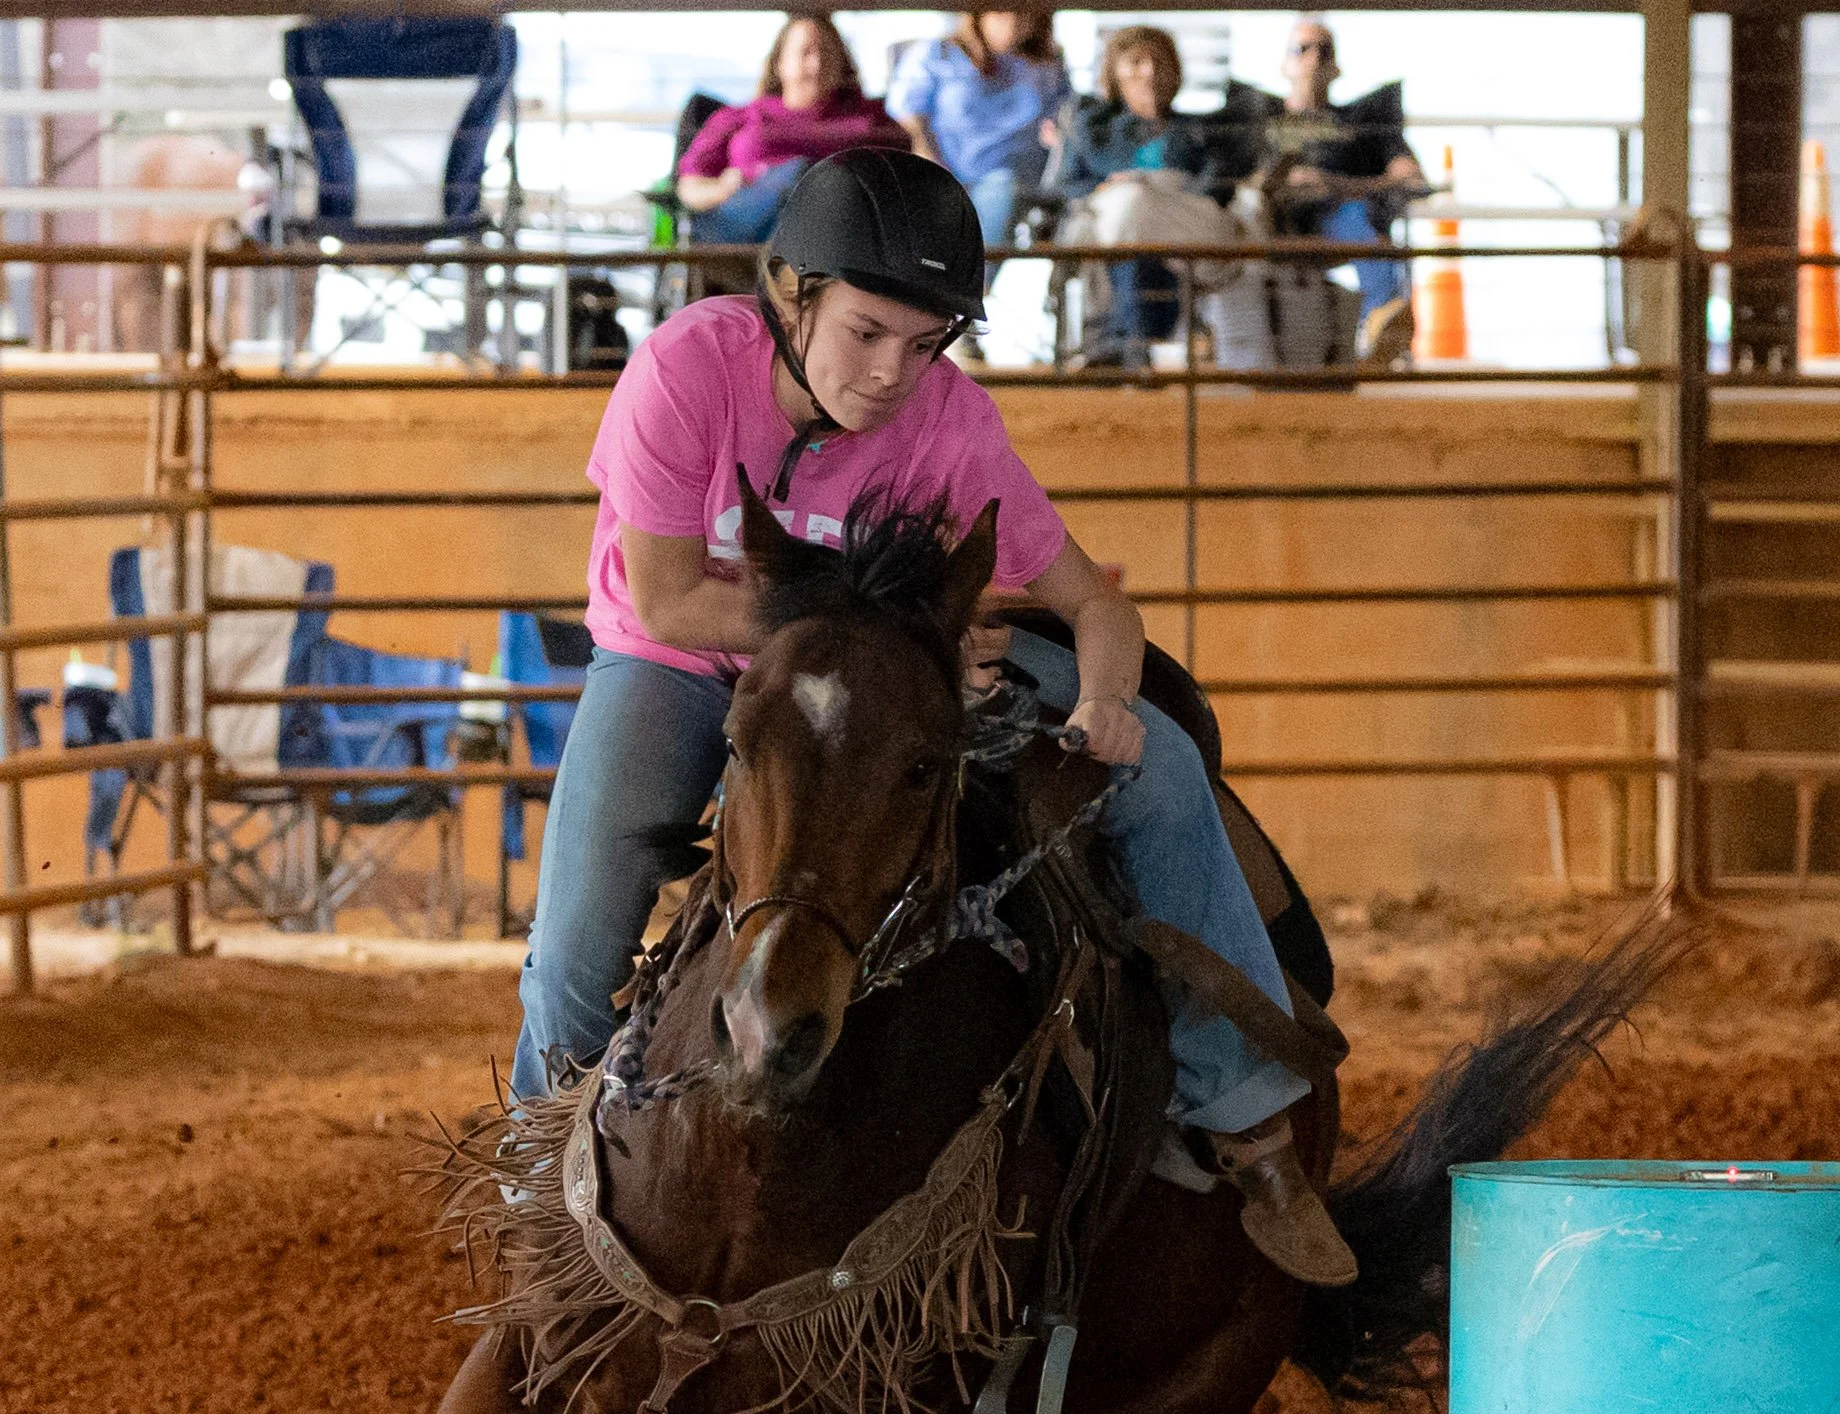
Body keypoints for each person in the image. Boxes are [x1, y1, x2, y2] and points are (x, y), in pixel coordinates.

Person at [512, 149, 1355, 1287]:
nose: (890, 374)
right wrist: (892, 634)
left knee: (1157, 767)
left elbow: (1098, 605)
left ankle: (1248, 1122)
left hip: (888, 668)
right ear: (792, 296)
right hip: (681, 661)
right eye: (865, 332)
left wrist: (1106, 700)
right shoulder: (684, 368)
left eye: (925, 344)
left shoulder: (951, 423)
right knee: (578, 929)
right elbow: (667, 598)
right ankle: (539, 1183)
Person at [1050, 25, 1221, 363]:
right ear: (1114, 72)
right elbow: (1068, 186)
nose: (1149, 72)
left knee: (1139, 215)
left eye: (1159, 62)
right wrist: (1107, 188)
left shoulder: (1197, 132)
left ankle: (1120, 344)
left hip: (1175, 222)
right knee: (1128, 213)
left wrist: (1156, 188)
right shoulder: (1091, 126)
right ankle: (1131, 345)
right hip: (1108, 224)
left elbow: (1213, 187)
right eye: (1136, 62)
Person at [675, 15, 908, 245]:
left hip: (844, 220)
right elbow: (689, 188)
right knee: (805, 175)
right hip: (748, 217)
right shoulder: (739, 117)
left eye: (826, 54)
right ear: (780, 62)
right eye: (806, 52)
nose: (817, 65)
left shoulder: (872, 118)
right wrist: (722, 188)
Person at [1261, 18, 1424, 347]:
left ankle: (1380, 324)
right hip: (1268, 221)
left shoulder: (1359, 122)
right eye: (1302, 49)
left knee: (1358, 216)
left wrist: (1338, 185)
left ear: (1336, 68)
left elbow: (1411, 177)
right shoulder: (1257, 121)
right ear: (1283, 65)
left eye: (1324, 51)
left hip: (1339, 220)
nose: (1314, 59)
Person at [887, 10, 1068, 272]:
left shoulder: (1045, 63)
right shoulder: (937, 54)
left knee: (1002, 190)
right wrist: (933, 168)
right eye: (1001, 12)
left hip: (1018, 180)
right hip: (946, 174)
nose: (1014, 21)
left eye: (1023, 12)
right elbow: (909, 114)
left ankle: (974, 280)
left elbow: (1063, 114)